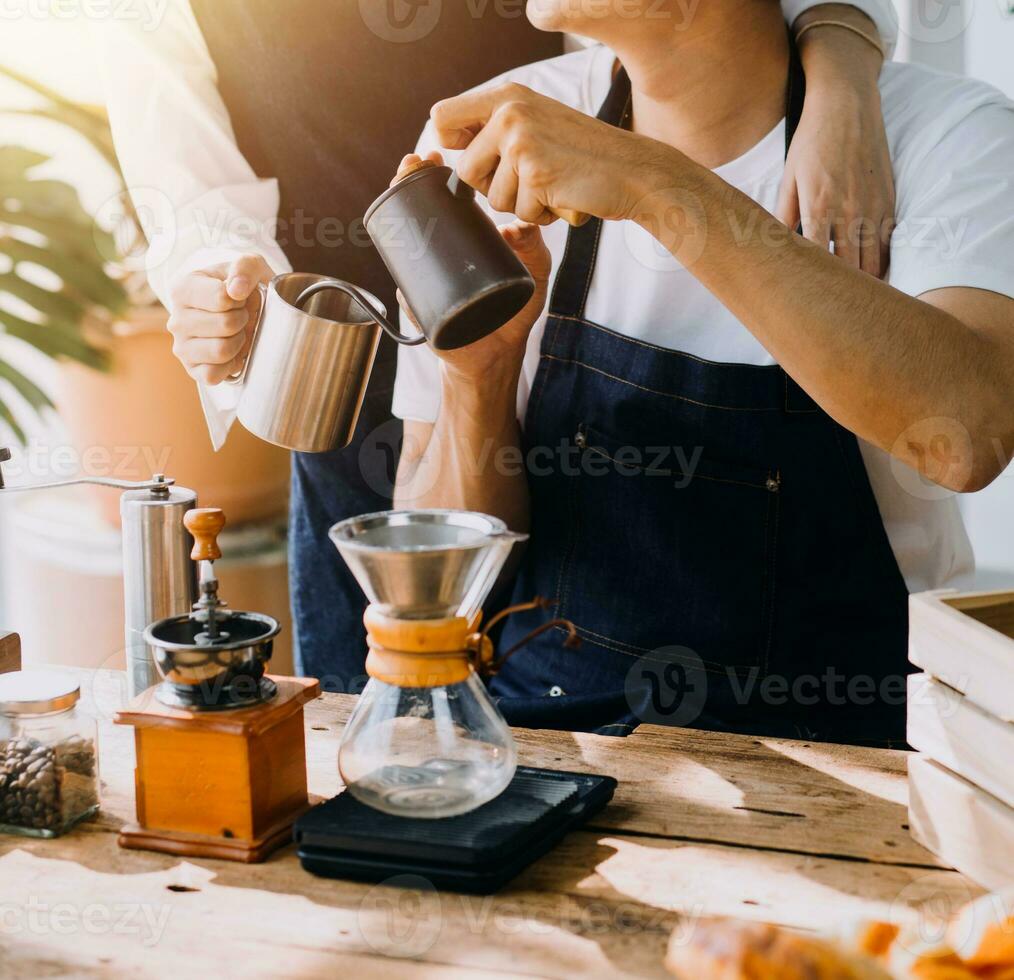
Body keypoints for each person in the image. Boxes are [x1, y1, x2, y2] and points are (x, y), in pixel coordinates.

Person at [95, 0, 898, 689]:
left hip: (540, 282)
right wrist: (222, 287)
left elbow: (709, 26)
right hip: (334, 371)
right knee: (369, 744)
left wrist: (840, 82)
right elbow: (185, 177)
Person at [392, 0, 1014, 747]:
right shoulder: (491, 137)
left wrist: (656, 186)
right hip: (546, 757)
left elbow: (966, 436)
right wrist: (477, 381)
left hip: (851, 774)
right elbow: (426, 582)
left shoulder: (946, 134)